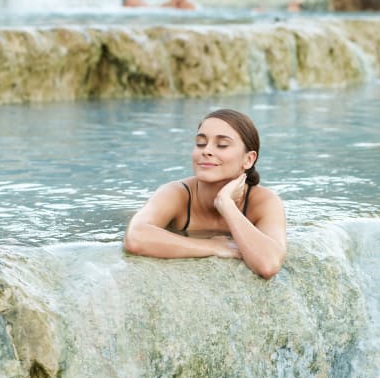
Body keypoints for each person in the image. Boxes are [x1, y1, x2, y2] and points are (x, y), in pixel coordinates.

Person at [123, 109, 287, 279]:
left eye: (222, 144)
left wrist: (226, 204)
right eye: (200, 143)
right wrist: (213, 246)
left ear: (249, 159)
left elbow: (269, 264)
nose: (206, 151)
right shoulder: (177, 193)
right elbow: (135, 238)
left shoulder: (264, 202)